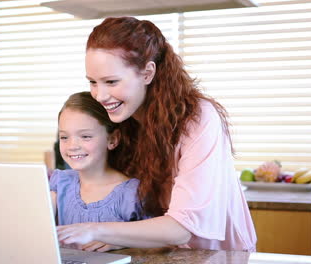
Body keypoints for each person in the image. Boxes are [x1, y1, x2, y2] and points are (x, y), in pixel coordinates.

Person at [56, 17, 257, 251]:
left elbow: (182, 229)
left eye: (111, 81)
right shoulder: (122, 116)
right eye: (93, 82)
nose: (100, 95)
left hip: (217, 255)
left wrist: (95, 229)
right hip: (162, 253)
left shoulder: (198, 118)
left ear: (147, 73)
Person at [50, 91, 146, 252]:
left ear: (112, 140)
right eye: (64, 137)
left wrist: (124, 241)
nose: (72, 145)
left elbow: (161, 243)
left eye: (85, 136)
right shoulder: (60, 183)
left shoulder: (132, 193)